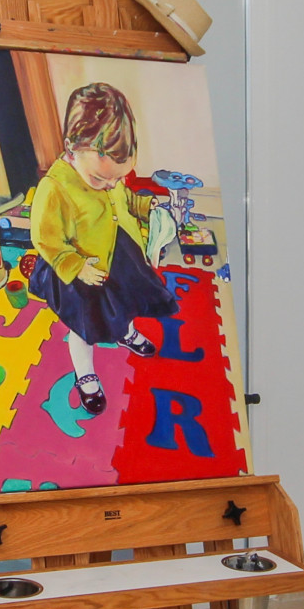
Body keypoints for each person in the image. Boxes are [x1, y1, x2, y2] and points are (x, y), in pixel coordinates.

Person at [23, 82, 177, 415]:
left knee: (127, 302)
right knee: (84, 327)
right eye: (99, 180)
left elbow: (122, 199)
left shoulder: (108, 174)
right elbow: (46, 239)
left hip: (119, 257)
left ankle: (126, 332)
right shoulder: (55, 187)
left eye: (116, 179)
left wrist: (144, 206)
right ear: (71, 149)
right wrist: (76, 266)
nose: (109, 186)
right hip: (82, 271)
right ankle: (86, 375)